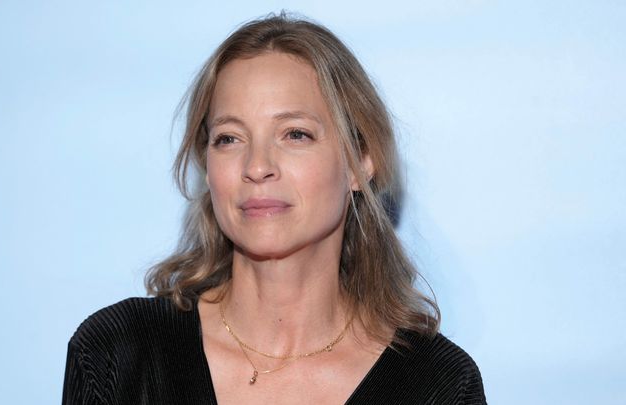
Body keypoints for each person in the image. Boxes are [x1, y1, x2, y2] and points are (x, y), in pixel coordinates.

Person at [62, 13, 486, 405]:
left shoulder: (440, 386)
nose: (257, 166)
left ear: (361, 163)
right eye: (229, 138)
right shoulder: (119, 355)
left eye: (295, 134)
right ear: (207, 168)